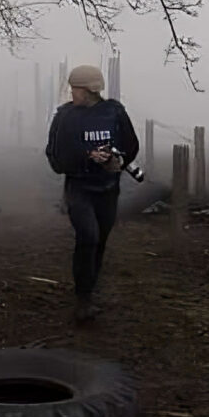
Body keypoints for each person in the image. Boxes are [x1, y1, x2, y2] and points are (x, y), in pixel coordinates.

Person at [45, 64, 139, 322]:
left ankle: (88, 289)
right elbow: (55, 158)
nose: (71, 93)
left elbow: (131, 146)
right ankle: (83, 301)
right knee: (88, 237)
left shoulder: (114, 112)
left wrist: (115, 156)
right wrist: (87, 156)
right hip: (79, 188)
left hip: (108, 189)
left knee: (99, 242)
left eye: (75, 88)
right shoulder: (65, 117)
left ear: (88, 90)